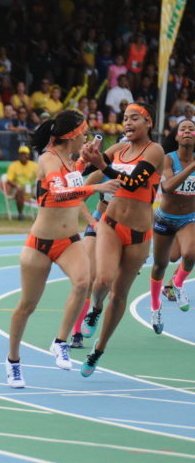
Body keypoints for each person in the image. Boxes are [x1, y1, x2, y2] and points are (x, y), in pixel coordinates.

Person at [6, 110, 120, 388]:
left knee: (83, 282)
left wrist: (84, 160)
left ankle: (60, 342)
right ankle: (13, 362)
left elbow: (72, 177)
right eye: (83, 131)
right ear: (71, 135)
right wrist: (98, 187)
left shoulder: (69, 162)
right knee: (26, 306)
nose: (85, 134)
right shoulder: (48, 160)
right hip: (40, 245)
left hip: (69, 241)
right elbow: (56, 196)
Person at [79, 102, 163, 377]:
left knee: (120, 293)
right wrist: (82, 161)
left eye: (134, 118)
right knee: (101, 280)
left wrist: (102, 164)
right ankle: (95, 308)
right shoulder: (118, 150)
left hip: (139, 235)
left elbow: (134, 182)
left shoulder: (155, 151)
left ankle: (99, 349)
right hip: (110, 225)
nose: (127, 123)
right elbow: (91, 167)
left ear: (148, 122)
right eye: (125, 118)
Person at [148, 119, 195, 334]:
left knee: (191, 254)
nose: (187, 131)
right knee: (161, 264)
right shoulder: (168, 159)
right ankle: (156, 307)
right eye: (182, 129)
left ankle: (177, 283)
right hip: (166, 218)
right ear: (176, 136)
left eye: (191, 129)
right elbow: (167, 187)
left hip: (189, 218)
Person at [6, 146, 38, 220]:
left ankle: (43, 215)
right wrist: (17, 186)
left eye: (25, 154)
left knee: (42, 190)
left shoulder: (34, 165)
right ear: (18, 155)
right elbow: (9, 180)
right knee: (20, 190)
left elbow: (40, 177)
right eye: (21, 154)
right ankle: (20, 214)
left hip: (31, 188)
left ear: (29, 155)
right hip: (16, 189)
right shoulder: (13, 165)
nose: (23, 155)